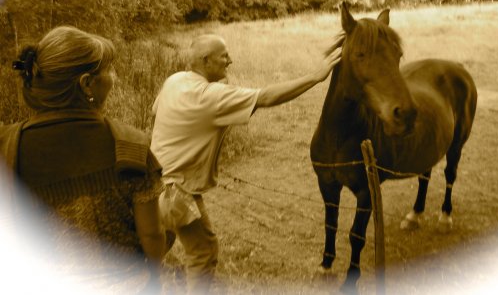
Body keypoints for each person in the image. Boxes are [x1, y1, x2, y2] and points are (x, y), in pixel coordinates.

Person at [150, 32, 344, 293]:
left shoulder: (174, 81)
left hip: (152, 186)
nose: (230, 60)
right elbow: (266, 97)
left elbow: (154, 114)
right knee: (204, 253)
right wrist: (315, 76)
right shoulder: (210, 96)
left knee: (155, 249)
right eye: (224, 56)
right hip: (178, 194)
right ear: (206, 61)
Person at [0, 26, 170, 294]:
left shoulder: (7, 145)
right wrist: (156, 275)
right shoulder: (130, 144)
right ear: (87, 83)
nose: (115, 77)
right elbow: (152, 235)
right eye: (109, 70)